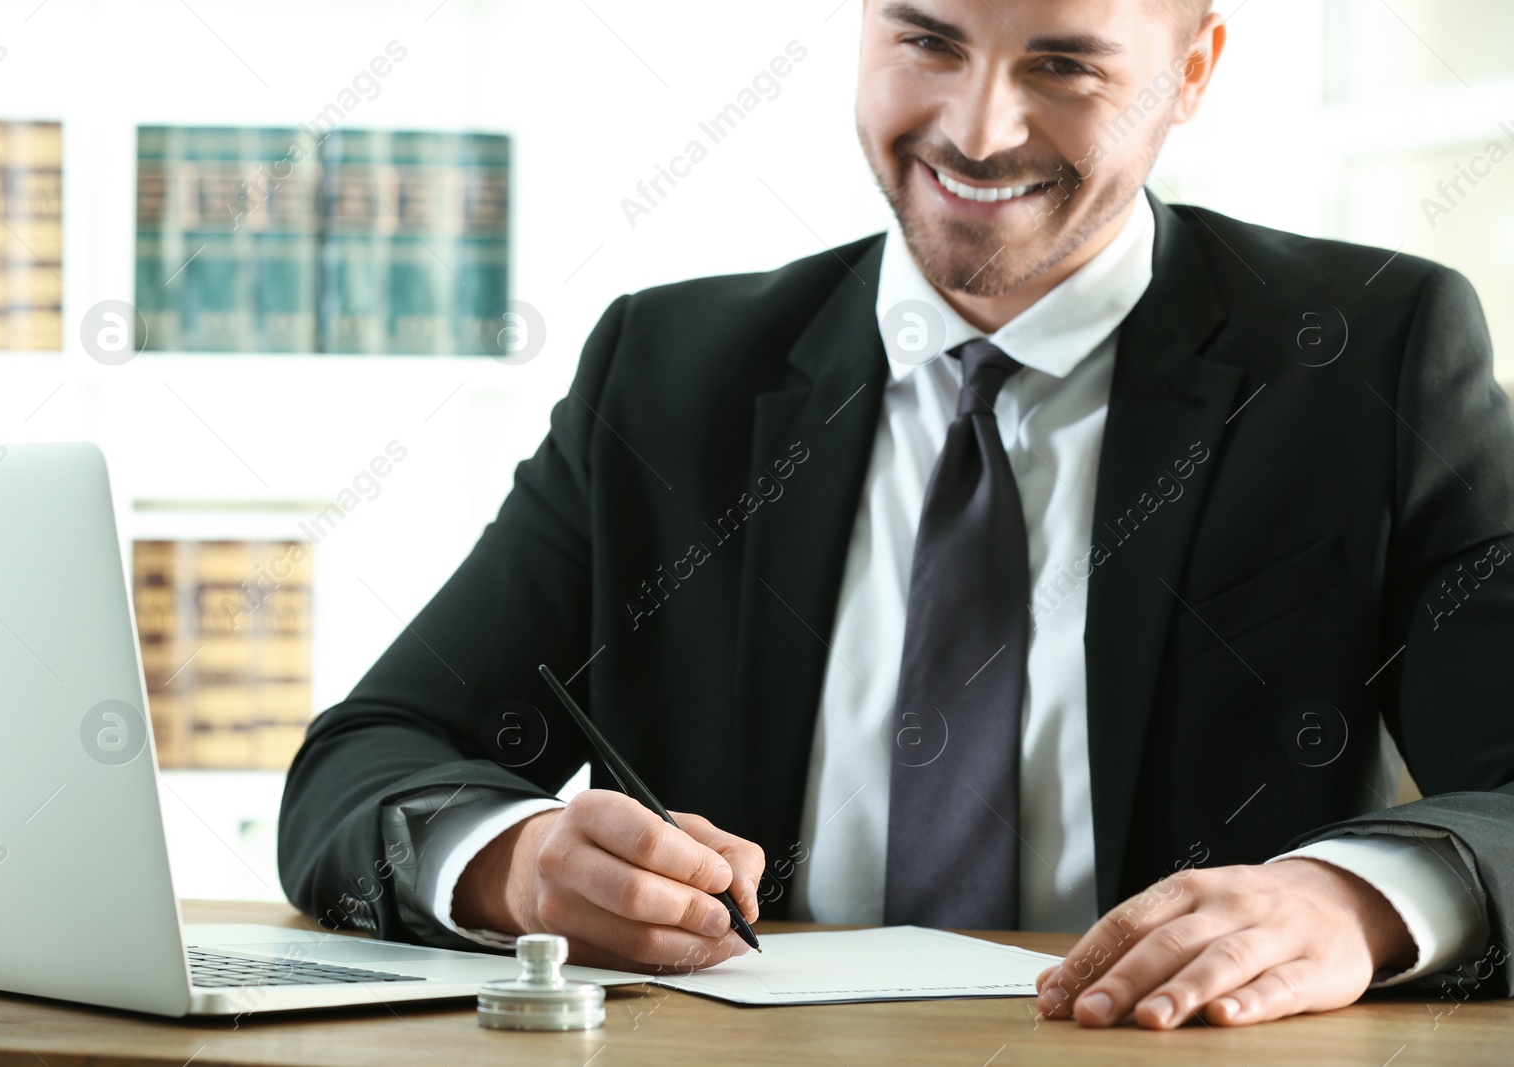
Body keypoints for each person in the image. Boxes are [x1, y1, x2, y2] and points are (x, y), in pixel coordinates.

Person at [280, 0, 1514, 1030]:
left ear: (1190, 73)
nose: (978, 131)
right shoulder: (665, 373)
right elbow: (364, 758)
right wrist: (516, 866)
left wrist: (1350, 903)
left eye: (1064, 62)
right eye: (927, 41)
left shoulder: (1370, 357)